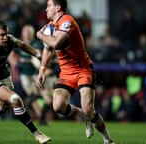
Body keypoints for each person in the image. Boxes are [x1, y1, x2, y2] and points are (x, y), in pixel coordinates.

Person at [35, 0, 114, 144]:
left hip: (83, 69)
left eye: (49, 6)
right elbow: (47, 50)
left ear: (58, 7)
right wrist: (42, 70)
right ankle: (85, 117)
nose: (46, 9)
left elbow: (56, 43)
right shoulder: (48, 28)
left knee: (89, 108)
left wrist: (39, 35)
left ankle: (107, 139)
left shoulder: (67, 21)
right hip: (66, 72)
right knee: (57, 106)